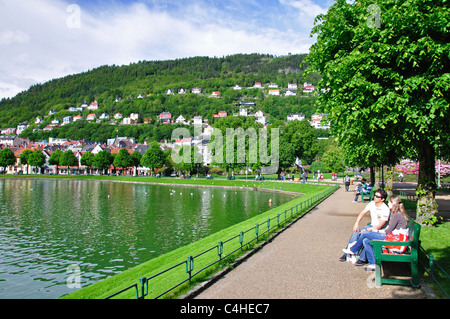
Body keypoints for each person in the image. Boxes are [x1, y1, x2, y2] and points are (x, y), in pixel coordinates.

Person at [342, 195, 409, 271]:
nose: (388, 204)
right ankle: (372, 263)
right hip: (393, 238)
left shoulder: (396, 215)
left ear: (393, 204)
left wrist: (377, 231)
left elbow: (388, 231)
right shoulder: (397, 214)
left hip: (394, 240)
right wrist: (376, 231)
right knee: (366, 240)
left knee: (365, 233)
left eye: (389, 202)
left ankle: (353, 250)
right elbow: (389, 229)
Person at [339, 189, 390, 262]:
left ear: (382, 199)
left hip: (379, 230)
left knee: (365, 237)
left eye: (377, 196)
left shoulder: (385, 209)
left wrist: (366, 230)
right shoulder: (372, 203)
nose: (375, 197)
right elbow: (362, 213)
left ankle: (361, 258)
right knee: (356, 231)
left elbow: (380, 225)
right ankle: (347, 253)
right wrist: (356, 223)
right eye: (374, 195)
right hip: (371, 226)